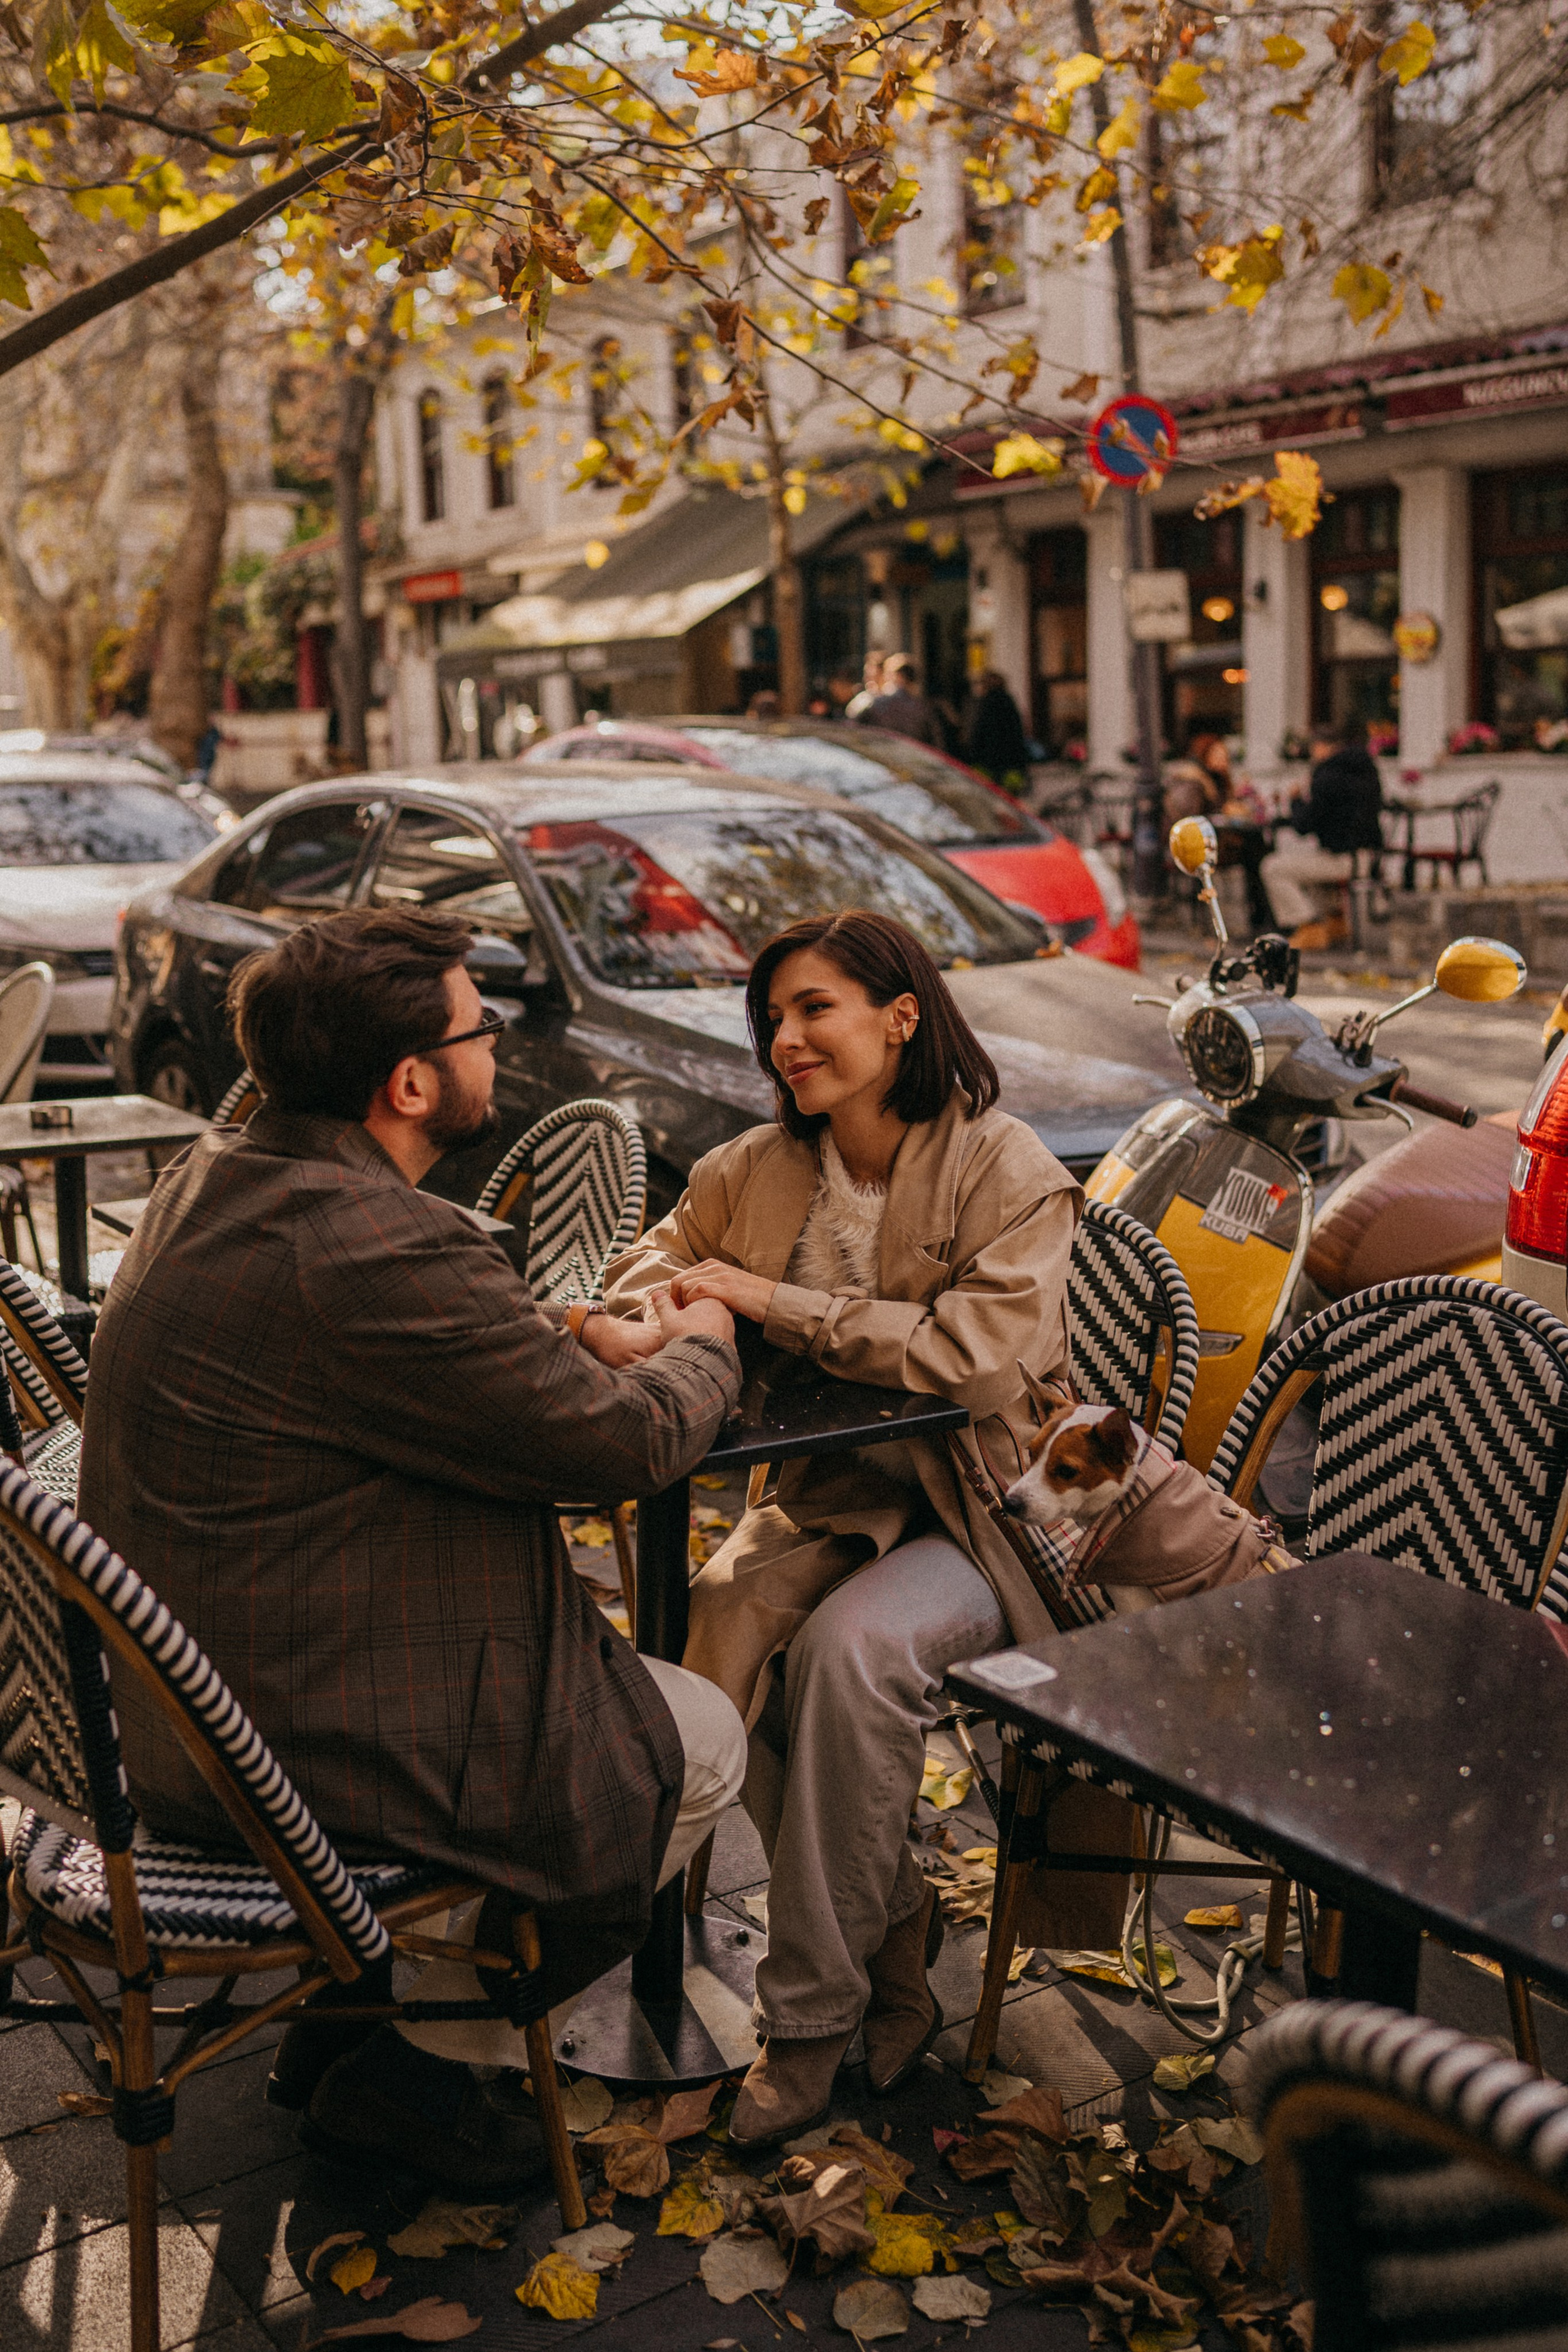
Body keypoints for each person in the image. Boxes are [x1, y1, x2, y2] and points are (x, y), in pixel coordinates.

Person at [77, 907, 747, 2194]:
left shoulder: (218, 1171)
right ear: (410, 1083)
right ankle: (421, 2063)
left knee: (614, 1696)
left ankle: (349, 2013)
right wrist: (708, 1344)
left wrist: (566, 1330)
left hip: (165, 1714)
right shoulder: (374, 1240)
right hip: (273, 1755)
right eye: (480, 1029)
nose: (496, 1046)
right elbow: (619, 1446)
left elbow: (388, 1350)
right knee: (699, 1741)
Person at [603, 910, 1089, 2147]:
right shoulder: (758, 1166)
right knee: (723, 1625)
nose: (786, 1038)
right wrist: (669, 1314)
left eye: (815, 1008)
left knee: (847, 1653)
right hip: (828, 1498)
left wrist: (772, 1302)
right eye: (773, 1016)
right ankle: (893, 1923)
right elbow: (649, 1267)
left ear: (901, 1016)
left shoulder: (1005, 1167)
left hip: (992, 1511)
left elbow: (976, 1363)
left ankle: (811, 2021)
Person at [1261, 722, 1385, 948]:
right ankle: (1335, 921)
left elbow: (1303, 825)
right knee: (1315, 862)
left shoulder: (1327, 776)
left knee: (1273, 868)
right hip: (1370, 857)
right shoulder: (1364, 769)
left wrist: (1296, 800)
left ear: (1322, 747)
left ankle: (1308, 925)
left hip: (1345, 860)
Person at [1164, 731, 1276, 935]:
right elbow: (1192, 819)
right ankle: (1262, 916)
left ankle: (1263, 915)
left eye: (1225, 756)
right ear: (1205, 756)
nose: (1224, 760)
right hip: (1201, 847)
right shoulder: (1194, 781)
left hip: (1219, 839)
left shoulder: (1216, 779)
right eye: (1218, 755)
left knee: (1256, 847)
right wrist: (1224, 812)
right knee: (1255, 851)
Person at [964, 668, 1031, 790]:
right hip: (1010, 761)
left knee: (989, 792)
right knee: (1007, 793)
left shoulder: (985, 703)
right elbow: (1017, 733)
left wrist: (973, 755)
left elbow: (979, 732)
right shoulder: (1009, 702)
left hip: (988, 761)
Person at [862, 652, 942, 747]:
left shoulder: (875, 704)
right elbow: (937, 743)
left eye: (887, 675)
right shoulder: (924, 708)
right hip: (914, 754)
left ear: (897, 677)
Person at [843, 651, 884, 720]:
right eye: (867, 674)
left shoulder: (891, 696)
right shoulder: (862, 698)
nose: (867, 678)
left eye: (873, 675)